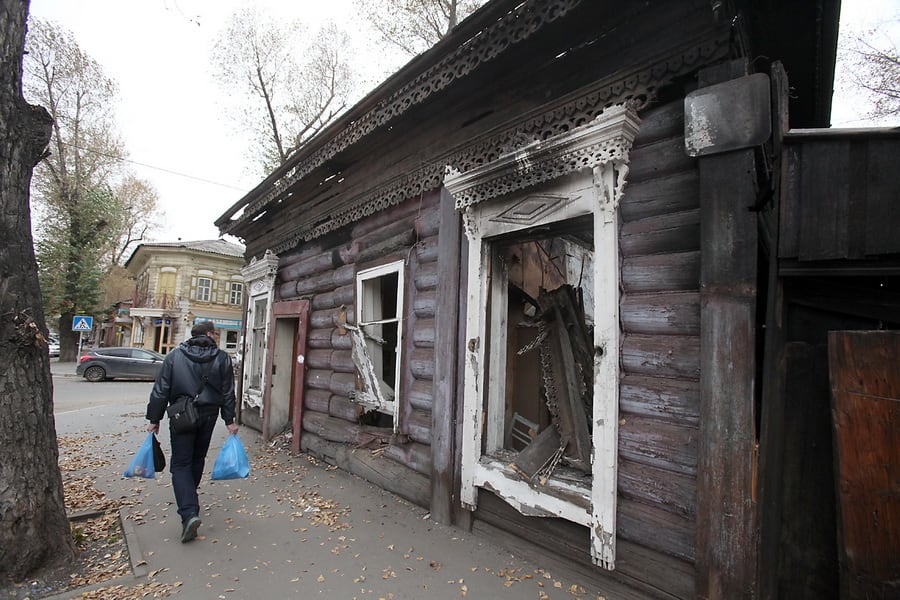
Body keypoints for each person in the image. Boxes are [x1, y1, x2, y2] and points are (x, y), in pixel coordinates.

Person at [146, 320, 239, 543]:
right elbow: (228, 391)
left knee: (180, 463)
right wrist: (229, 420)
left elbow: (161, 389)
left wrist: (154, 419)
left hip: (181, 414)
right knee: (197, 458)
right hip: (208, 414)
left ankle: (188, 511)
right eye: (215, 333)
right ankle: (190, 500)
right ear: (209, 334)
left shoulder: (174, 356)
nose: (216, 336)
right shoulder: (222, 358)